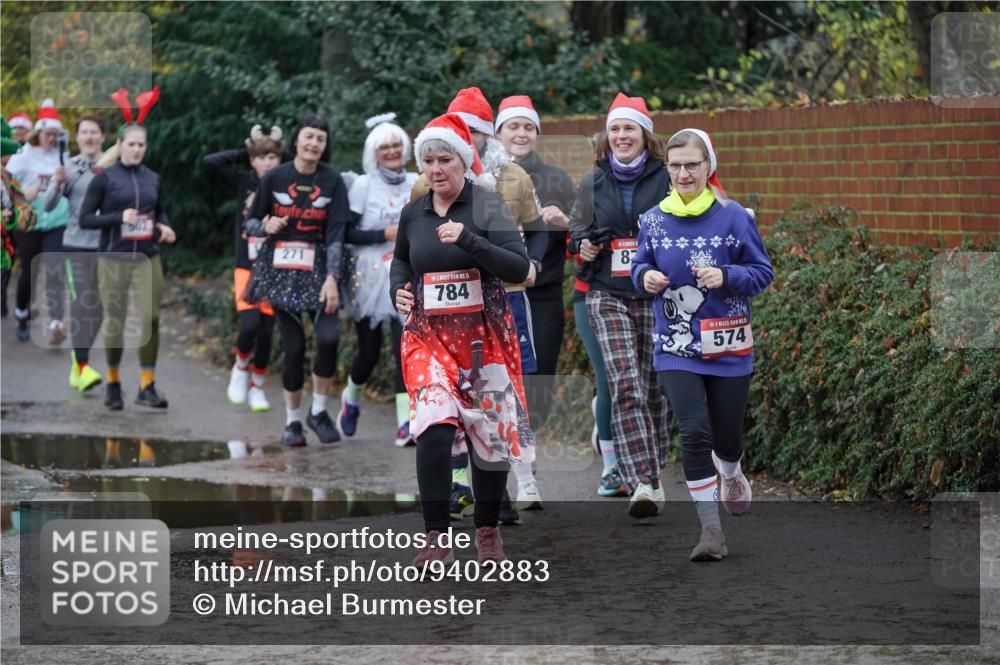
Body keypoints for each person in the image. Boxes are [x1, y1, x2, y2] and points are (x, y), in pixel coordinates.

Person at [392, 113, 532, 565]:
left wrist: (470, 240)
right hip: (428, 337)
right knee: (433, 428)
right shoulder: (412, 212)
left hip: (484, 335)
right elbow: (401, 261)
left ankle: (488, 530)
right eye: (428, 160)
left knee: (489, 438)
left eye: (445, 159)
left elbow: (517, 268)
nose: (436, 169)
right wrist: (400, 290)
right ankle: (436, 536)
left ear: (464, 161)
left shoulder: (488, 205)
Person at [632, 128, 773, 561]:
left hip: (728, 344)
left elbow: (762, 272)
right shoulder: (653, 218)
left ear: (708, 166)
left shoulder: (734, 216)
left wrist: (727, 275)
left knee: (726, 438)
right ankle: (711, 531)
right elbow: (640, 265)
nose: (683, 173)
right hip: (676, 347)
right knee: (694, 433)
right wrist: (645, 277)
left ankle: (731, 470)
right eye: (675, 166)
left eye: (692, 164)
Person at [412, 87, 545, 518]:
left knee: (503, 395)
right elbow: (412, 245)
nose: (462, 137)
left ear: (487, 136)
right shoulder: (426, 180)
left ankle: (518, 479)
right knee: (451, 399)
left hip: (505, 301)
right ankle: (459, 484)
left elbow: (537, 230)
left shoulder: (512, 178)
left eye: (472, 131)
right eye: (456, 129)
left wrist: (535, 264)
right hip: (445, 312)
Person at [568, 93, 672, 519]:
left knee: (655, 390)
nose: (622, 135)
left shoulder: (666, 176)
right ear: (607, 138)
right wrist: (583, 244)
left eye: (629, 128)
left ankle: (652, 467)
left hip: (655, 293)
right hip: (605, 292)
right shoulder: (593, 182)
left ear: (644, 134)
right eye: (615, 129)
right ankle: (644, 482)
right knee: (624, 382)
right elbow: (577, 227)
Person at [243, 114, 352, 447]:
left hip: (321, 267)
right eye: (309, 137)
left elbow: (336, 235)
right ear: (296, 141)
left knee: (329, 338)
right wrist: (266, 227)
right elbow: (250, 222)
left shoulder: (332, 182)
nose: (314, 143)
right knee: (293, 348)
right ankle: (292, 422)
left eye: (320, 138)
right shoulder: (275, 177)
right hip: (281, 270)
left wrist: (333, 278)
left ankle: (317, 412)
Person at [80, 86, 176, 410]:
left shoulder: (153, 178)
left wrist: (165, 226)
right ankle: (113, 382)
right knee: (116, 320)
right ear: (120, 145)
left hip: (147, 256)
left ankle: (147, 385)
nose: (136, 149)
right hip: (114, 256)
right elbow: (85, 220)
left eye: (141, 145)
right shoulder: (104, 179)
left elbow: (158, 210)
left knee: (149, 317)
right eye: (131, 144)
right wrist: (117, 217)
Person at [494, 94, 576, 435]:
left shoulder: (556, 179)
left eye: (529, 127)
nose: (522, 133)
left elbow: (583, 235)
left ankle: (529, 435)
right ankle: (503, 444)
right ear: (499, 132)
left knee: (540, 377)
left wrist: (565, 222)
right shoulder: (485, 177)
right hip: (495, 293)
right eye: (513, 126)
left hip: (542, 291)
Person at [339, 112, 417, 447]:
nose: (391, 151)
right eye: (384, 147)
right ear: (373, 152)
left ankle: (406, 422)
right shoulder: (362, 185)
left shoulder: (418, 181)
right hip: (368, 274)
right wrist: (384, 233)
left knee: (406, 347)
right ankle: (352, 394)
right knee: (369, 352)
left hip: (407, 271)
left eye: (396, 144)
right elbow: (347, 232)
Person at [204, 124, 285, 413]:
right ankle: (240, 367)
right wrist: (249, 150)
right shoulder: (243, 183)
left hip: (277, 267)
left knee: (266, 332)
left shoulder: (285, 184)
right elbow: (210, 162)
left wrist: (278, 152)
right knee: (249, 325)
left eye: (272, 157)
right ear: (252, 160)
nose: (266, 163)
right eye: (261, 158)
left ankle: (258, 385)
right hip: (246, 266)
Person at [6, 99, 70, 344]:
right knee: (29, 275)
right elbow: (5, 185)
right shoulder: (23, 155)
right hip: (29, 223)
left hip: (57, 221)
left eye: (55, 134)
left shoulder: (62, 155)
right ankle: (22, 314)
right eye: (48, 134)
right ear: (38, 132)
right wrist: (23, 192)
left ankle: (56, 323)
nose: (52, 138)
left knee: (55, 270)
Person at [60, 116, 108, 393]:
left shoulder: (112, 165)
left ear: (103, 136)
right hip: (75, 243)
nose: (89, 137)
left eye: (94, 132)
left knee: (99, 309)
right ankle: (83, 365)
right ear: (78, 137)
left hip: (105, 245)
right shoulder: (68, 166)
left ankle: (78, 359)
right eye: (84, 132)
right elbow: (52, 202)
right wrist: (57, 184)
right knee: (81, 303)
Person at [2, 117, 36, 317]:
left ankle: (23, 306)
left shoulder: (32, 152)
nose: (19, 131)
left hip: (19, 218)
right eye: (16, 129)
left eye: (23, 128)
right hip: (6, 220)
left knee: (26, 264)